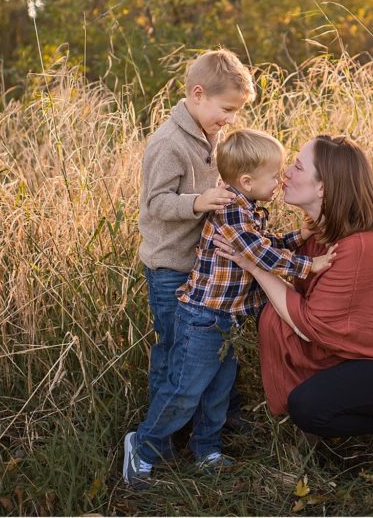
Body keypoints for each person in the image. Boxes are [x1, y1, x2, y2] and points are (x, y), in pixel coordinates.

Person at [213, 135, 373, 454]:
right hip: (371, 354)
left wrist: (253, 265)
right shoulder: (326, 231)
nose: (285, 173)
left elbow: (309, 324)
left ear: (323, 187)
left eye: (297, 166)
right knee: (273, 316)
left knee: (309, 408)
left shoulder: (359, 245)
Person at [124, 130, 337, 486]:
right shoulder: (231, 211)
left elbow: (264, 244)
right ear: (247, 180)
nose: (280, 180)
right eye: (274, 175)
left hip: (229, 318)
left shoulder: (249, 209)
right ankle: (143, 446)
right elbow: (259, 253)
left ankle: (206, 448)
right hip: (204, 318)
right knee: (186, 389)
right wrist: (307, 265)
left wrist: (299, 238)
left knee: (219, 389)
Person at [135, 49, 252, 446]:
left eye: (235, 112)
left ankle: (205, 430)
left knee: (202, 354)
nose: (230, 120)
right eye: (227, 109)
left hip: (203, 269)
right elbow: (155, 203)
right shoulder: (168, 143)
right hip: (171, 269)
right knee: (173, 353)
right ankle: (157, 439)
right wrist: (200, 201)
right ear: (198, 94)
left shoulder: (210, 133)